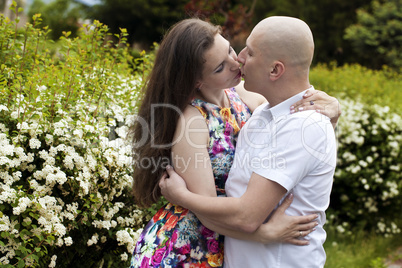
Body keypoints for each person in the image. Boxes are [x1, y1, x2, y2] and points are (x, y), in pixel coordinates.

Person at [131, 18, 340, 267]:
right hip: (189, 246)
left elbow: (294, 124)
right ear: (196, 81)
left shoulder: (247, 99)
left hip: (231, 241)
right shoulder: (193, 120)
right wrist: (265, 234)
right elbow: (207, 211)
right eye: (220, 67)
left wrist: (332, 109)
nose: (237, 61)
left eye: (231, 49)